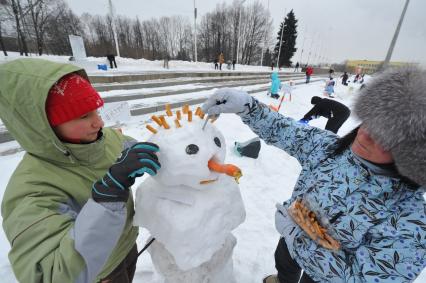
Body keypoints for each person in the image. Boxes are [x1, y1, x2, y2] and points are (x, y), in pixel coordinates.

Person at [201, 66, 426, 283]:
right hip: (289, 234)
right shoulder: (330, 149)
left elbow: (363, 278)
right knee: (284, 262)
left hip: (320, 276)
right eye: (371, 120)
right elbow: (284, 129)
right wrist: (248, 106)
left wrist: (296, 236)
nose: (366, 133)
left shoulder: (410, 222)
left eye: (386, 134)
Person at [0, 58, 161, 283]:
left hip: (126, 250)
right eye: (84, 116)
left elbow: (129, 146)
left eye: (96, 111)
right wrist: (108, 196)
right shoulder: (31, 190)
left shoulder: (105, 140)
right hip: (97, 273)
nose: (99, 123)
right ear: (46, 126)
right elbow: (51, 275)